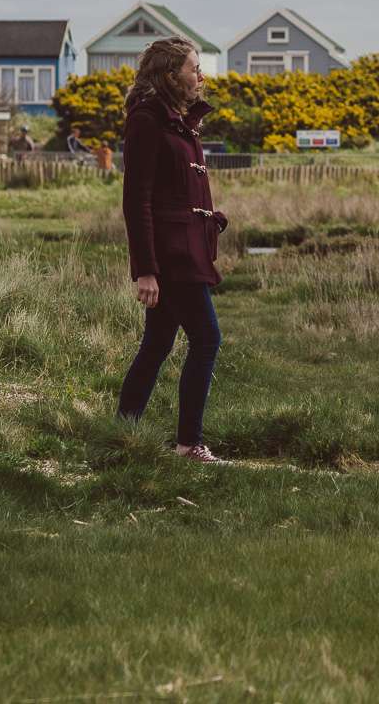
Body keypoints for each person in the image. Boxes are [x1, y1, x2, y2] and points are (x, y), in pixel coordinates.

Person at [115, 37, 231, 463]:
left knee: (157, 344)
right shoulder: (147, 120)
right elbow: (137, 200)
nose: (201, 77)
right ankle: (188, 445)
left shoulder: (178, 119)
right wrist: (146, 269)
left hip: (186, 246)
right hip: (172, 253)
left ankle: (122, 433)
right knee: (206, 338)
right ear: (170, 75)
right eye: (194, 69)